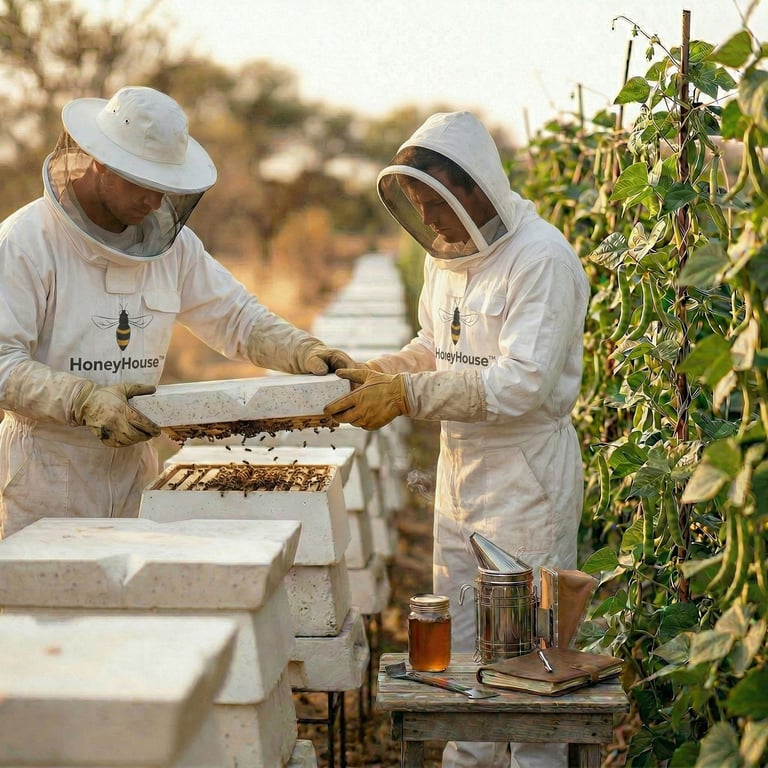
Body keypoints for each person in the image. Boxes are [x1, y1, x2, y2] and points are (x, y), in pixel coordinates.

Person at [324, 111, 589, 768]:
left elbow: (522, 384)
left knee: (527, 668)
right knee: (463, 656)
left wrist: (411, 395)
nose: (429, 220)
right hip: (459, 469)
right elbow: (433, 348)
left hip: (525, 477)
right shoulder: (445, 256)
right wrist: (383, 371)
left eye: (434, 204)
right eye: (417, 207)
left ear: (475, 189)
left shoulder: (542, 259)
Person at [0, 85, 354, 540]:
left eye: (164, 188)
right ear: (101, 161)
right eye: (143, 184)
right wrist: (81, 399)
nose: (154, 202)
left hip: (134, 464)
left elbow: (236, 317)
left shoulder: (171, 246)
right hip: (46, 473)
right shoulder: (25, 243)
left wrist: (303, 350)